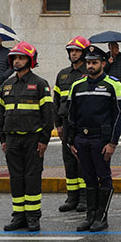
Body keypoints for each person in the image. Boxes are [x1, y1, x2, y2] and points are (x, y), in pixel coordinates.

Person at [67, 45, 121, 233]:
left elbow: (120, 115)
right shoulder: (77, 85)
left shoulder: (113, 84)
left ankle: (101, 217)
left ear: (103, 63)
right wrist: (71, 141)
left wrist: (113, 143)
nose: (90, 66)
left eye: (94, 62)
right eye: (88, 63)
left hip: (101, 140)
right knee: (88, 178)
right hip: (81, 140)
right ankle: (90, 216)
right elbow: (70, 115)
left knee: (104, 178)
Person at [0, 42, 54, 232]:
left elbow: (48, 115)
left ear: (30, 61)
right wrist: (2, 139)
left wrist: (44, 140)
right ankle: (18, 216)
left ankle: (32, 217)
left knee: (32, 177)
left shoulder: (39, 84)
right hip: (12, 140)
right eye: (15, 58)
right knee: (16, 178)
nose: (17, 61)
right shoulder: (7, 85)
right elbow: (0, 114)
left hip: (32, 140)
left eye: (21, 58)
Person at [53, 36, 90, 212]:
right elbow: (56, 101)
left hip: (82, 123)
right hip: (66, 123)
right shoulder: (62, 74)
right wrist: (58, 124)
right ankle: (72, 197)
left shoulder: (88, 72)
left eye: (77, 51)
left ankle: (84, 197)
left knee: (82, 160)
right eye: (71, 51)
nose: (74, 54)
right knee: (68, 160)